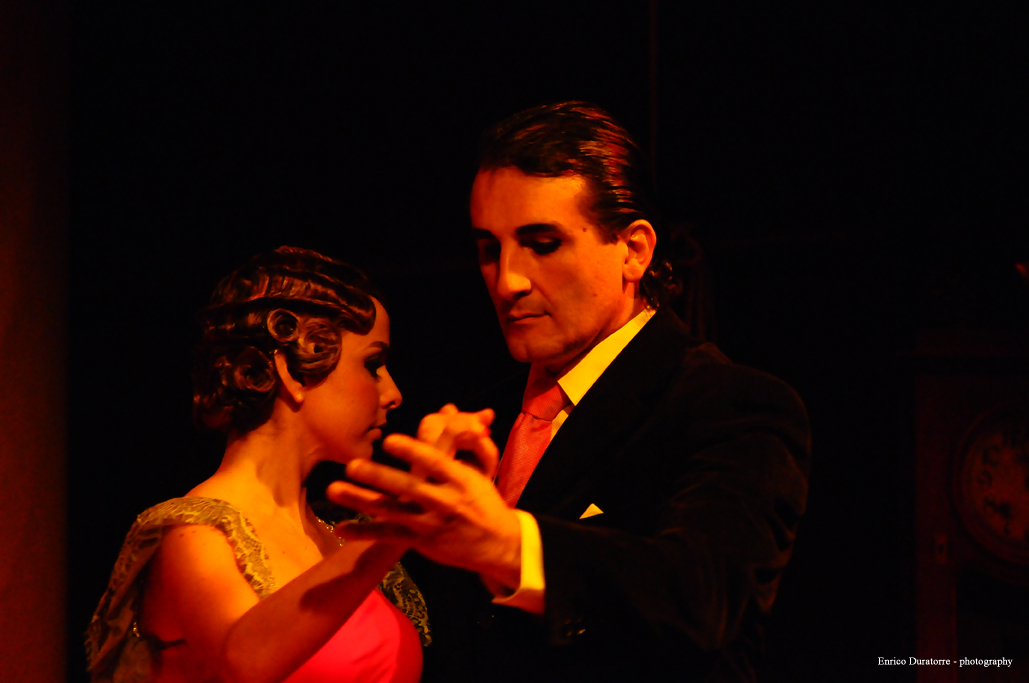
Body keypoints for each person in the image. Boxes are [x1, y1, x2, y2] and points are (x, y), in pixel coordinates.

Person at [328, 102, 812, 682]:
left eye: (543, 243)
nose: (508, 280)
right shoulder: (483, 415)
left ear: (634, 250)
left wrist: (507, 544)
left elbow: (703, 594)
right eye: (490, 249)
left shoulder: (729, 403)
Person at [85, 247, 495, 683]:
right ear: (291, 371)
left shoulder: (339, 532)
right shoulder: (196, 535)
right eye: (372, 365)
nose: (393, 394)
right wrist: (400, 520)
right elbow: (246, 661)